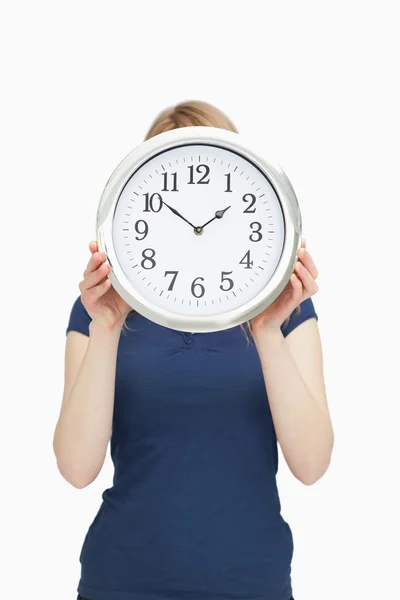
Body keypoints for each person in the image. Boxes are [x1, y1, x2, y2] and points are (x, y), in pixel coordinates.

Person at [54, 100, 334, 600]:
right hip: (121, 580)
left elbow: (311, 465)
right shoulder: (100, 313)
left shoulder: (288, 313)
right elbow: (76, 469)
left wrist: (267, 329)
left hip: (252, 582)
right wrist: (107, 327)